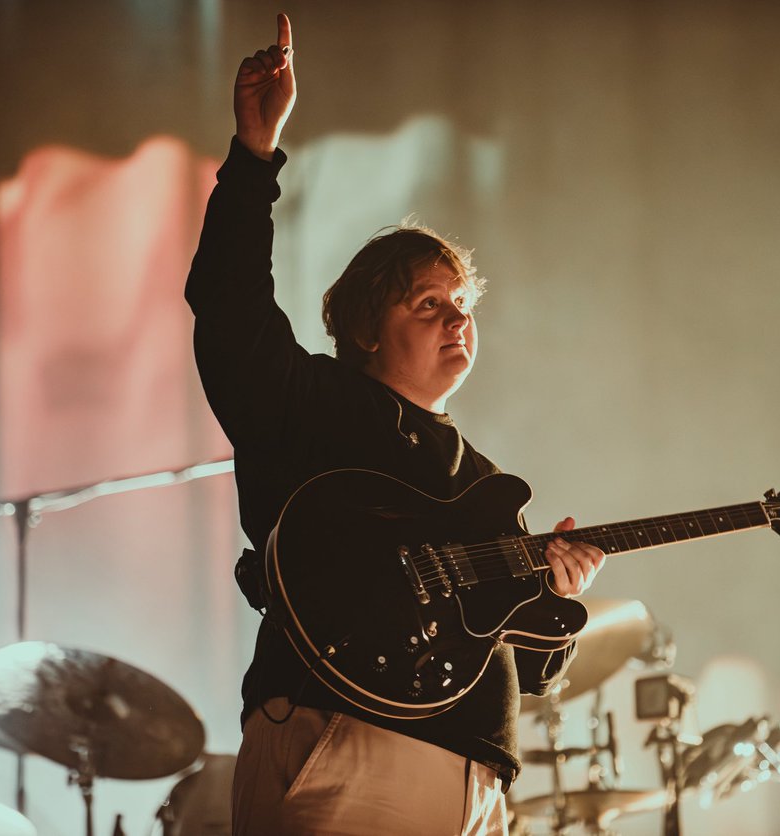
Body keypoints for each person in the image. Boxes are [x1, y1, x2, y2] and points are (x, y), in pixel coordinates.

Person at [185, 13, 606, 835]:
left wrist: (558, 597)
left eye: (463, 304)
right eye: (429, 304)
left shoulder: (485, 485)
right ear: (368, 328)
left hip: (475, 777)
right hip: (349, 745)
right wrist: (254, 156)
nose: (458, 319)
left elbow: (523, 662)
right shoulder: (314, 405)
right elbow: (230, 308)